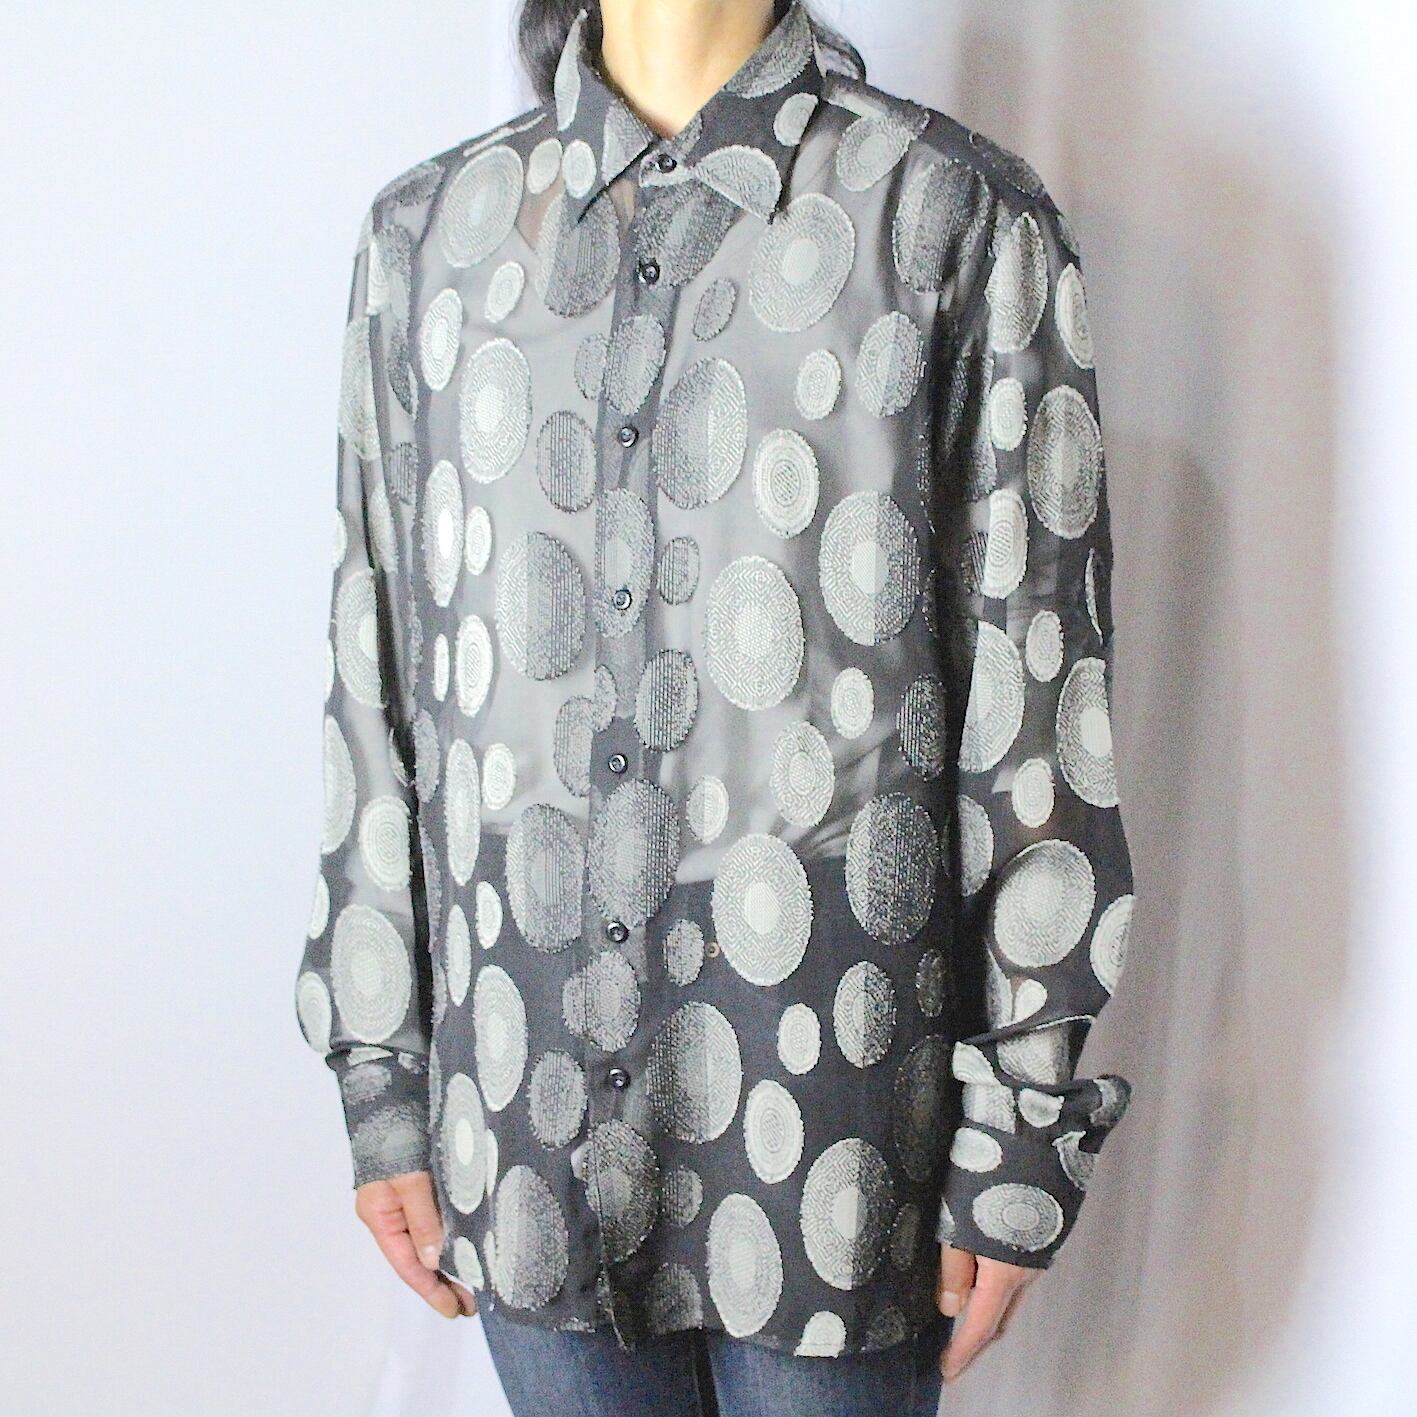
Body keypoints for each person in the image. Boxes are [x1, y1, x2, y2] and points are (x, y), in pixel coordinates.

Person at [291, 1, 1138, 1412]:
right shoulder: (428, 244)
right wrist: (381, 1071)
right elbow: (378, 679)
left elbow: (1036, 692)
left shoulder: (948, 221)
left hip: (835, 1133)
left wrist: (1021, 1128)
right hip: (525, 1118)